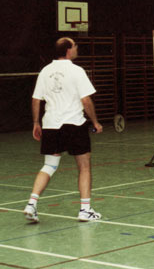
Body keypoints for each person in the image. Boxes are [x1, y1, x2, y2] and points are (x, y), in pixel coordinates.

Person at [24, 37, 103, 223]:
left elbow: (36, 100)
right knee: (84, 166)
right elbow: (86, 100)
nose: (77, 49)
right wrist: (95, 122)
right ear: (68, 50)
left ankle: (31, 204)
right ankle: (85, 210)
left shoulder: (45, 71)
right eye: (75, 46)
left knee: (49, 165)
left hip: (51, 124)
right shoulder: (77, 71)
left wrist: (36, 123)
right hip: (74, 124)